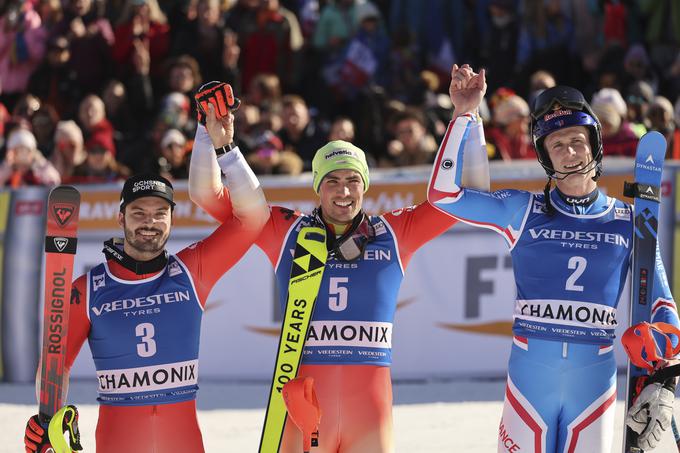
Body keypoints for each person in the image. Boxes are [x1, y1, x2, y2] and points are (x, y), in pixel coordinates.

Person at [188, 79, 489, 452]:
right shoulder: (286, 231)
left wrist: (468, 116)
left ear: (365, 186)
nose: (344, 191)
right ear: (317, 186)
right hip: (304, 410)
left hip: (369, 415)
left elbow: (473, 197)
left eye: (352, 181)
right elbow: (206, 194)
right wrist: (206, 131)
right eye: (332, 181)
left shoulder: (394, 232)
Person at [427, 65, 680, 452]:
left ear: (594, 144)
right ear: (545, 157)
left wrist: (659, 350)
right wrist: (464, 114)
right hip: (529, 388)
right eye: (557, 145)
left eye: (577, 141)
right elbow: (442, 195)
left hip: (592, 392)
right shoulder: (522, 210)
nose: (570, 152)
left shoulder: (630, 222)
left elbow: (666, 314)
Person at [24, 106, 268, 452]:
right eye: (138, 212)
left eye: (159, 213)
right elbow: (54, 366)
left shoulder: (190, 271)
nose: (149, 222)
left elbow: (253, 218)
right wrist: (47, 421)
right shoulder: (88, 290)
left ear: (172, 219)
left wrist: (219, 144)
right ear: (121, 217)